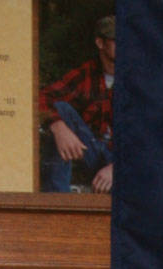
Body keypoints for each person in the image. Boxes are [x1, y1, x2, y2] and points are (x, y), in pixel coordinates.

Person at [39, 15, 115, 195]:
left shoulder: (137, 79)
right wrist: (58, 127)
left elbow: (148, 134)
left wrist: (117, 168)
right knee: (61, 108)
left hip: (125, 161)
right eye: (116, 40)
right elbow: (42, 98)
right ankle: (56, 199)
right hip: (91, 150)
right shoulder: (87, 73)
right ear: (100, 43)